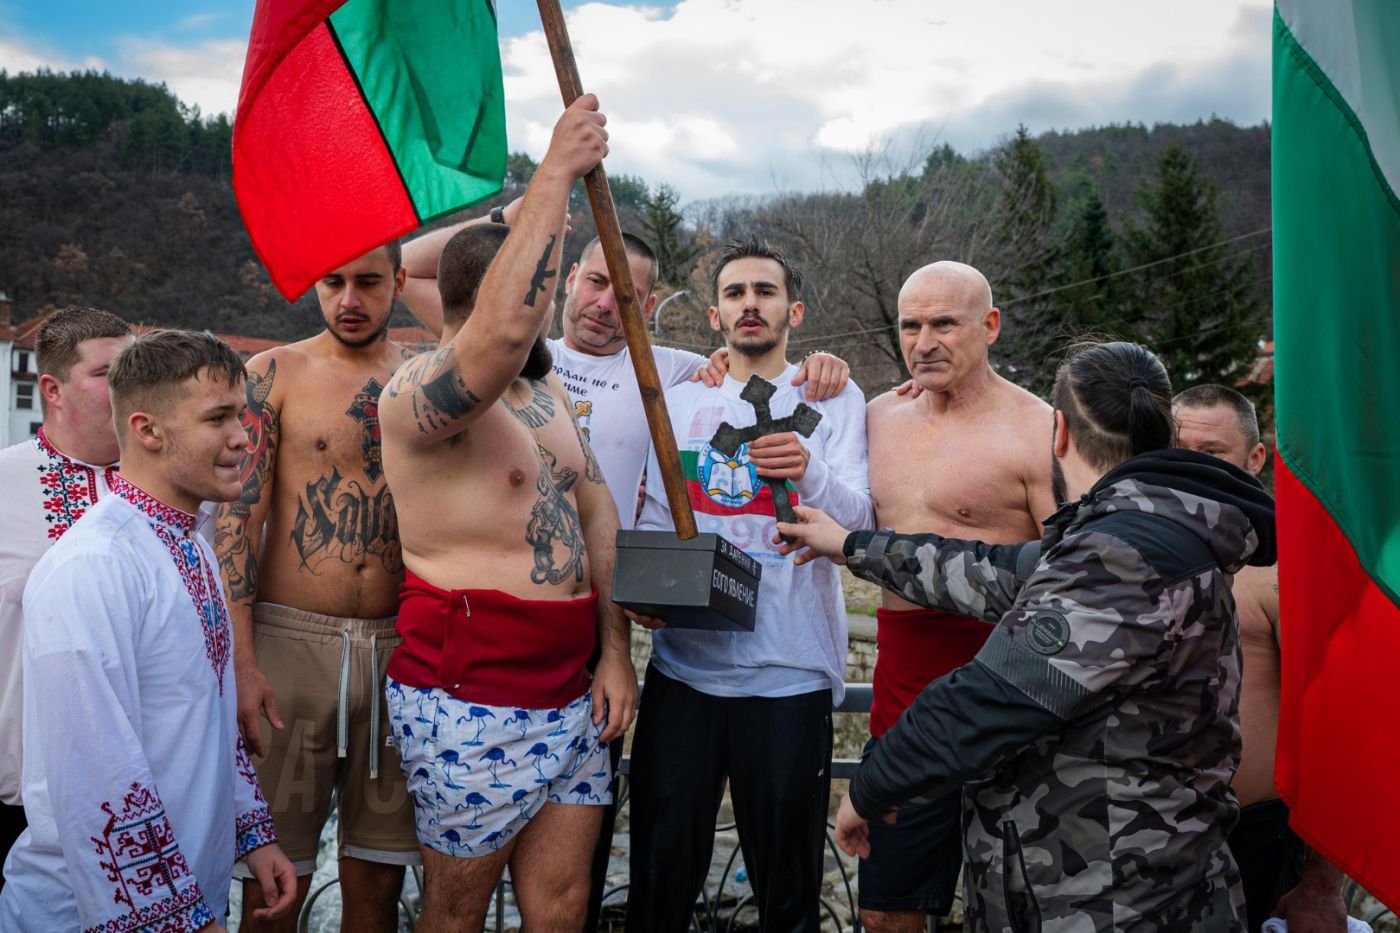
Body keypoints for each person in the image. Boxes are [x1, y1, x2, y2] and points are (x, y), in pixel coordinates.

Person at [402, 221, 850, 929]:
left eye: (630, 296)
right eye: (594, 281)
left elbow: (753, 371)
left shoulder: (667, 372)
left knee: (570, 886)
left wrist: (819, 368)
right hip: (481, 648)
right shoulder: (510, 360)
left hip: (611, 636)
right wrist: (519, 216)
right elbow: (413, 272)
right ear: (562, 285)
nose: (607, 303)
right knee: (479, 893)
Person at [778, 341, 1276, 932]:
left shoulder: (1120, 555)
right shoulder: (1137, 531)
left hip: (1110, 895)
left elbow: (989, 699)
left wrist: (871, 786)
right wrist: (851, 545)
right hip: (1128, 877)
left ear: (1058, 433)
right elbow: (990, 571)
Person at [378, 94, 637, 932]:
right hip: (472, 689)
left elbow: (595, 506)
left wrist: (615, 652)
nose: (547, 299)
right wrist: (553, 176)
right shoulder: (418, 397)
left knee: (562, 905)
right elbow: (489, 326)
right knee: (456, 911)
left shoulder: (542, 382)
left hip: (573, 683)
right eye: (542, 281)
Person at [0, 330, 297, 931]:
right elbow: (98, 777)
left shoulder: (193, 547)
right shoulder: (93, 566)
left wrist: (253, 833)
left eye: (239, 415)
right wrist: (179, 920)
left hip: (192, 888)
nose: (243, 437)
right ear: (147, 430)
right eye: (217, 418)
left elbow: (207, 713)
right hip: (92, 914)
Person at [215, 224, 466, 928]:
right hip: (291, 644)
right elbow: (239, 523)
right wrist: (242, 661)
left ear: (400, 283)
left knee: (380, 882)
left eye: (369, 281)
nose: (349, 299)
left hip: (399, 647)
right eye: (333, 282)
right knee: (272, 883)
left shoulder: (427, 379)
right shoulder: (274, 373)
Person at [624, 236, 873, 932]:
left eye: (765, 291)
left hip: (788, 674)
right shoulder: (679, 402)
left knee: (788, 894)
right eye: (734, 293)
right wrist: (648, 592)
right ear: (714, 315)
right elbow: (655, 519)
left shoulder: (832, 397)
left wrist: (808, 473)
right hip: (685, 671)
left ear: (794, 310)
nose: (750, 304)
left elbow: (862, 525)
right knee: (658, 884)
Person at [859, 262, 1054, 931]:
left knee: (1015, 912)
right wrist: (714, 367)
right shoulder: (876, 417)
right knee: (886, 914)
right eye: (911, 326)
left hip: (1009, 704)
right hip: (903, 706)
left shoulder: (1039, 428)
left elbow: (1075, 575)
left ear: (990, 325)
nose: (924, 342)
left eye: (944, 323)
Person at [1174, 384, 1347, 933]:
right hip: (1145, 840)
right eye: (1178, 451)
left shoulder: (1283, 567)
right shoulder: (1121, 550)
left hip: (1258, 838)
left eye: (1212, 452)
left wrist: (1321, 885)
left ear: (1254, 459)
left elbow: (1337, 725)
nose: (1191, 467)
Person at [0, 307, 133, 884]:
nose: (127, 385)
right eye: (106, 373)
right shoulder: (3, 484)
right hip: (21, 794)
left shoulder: (183, 494)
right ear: (51, 390)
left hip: (147, 791)